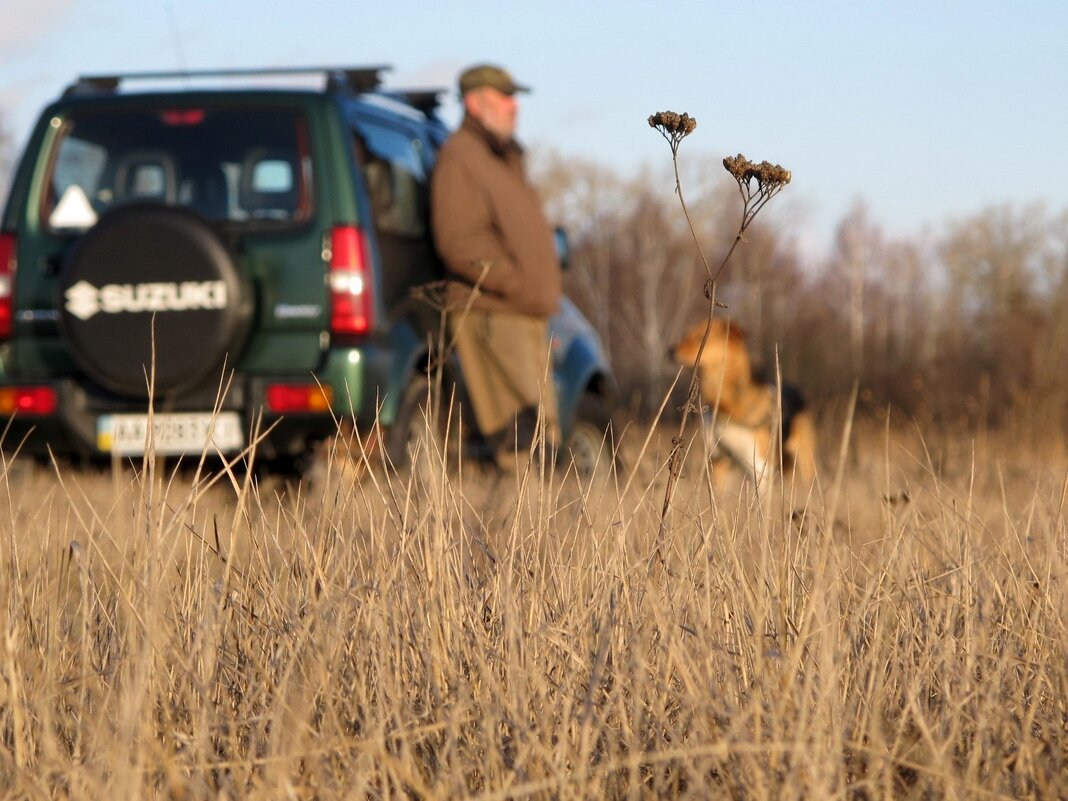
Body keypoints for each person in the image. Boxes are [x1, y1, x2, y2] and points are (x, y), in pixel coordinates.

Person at [431, 64, 562, 463]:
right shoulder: (460, 158)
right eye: (504, 97)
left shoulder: (501, 159)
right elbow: (459, 242)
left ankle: (545, 526)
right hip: (493, 314)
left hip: (522, 313)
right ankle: (522, 527)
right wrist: (518, 282)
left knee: (542, 440)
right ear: (474, 102)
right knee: (521, 441)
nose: (514, 106)